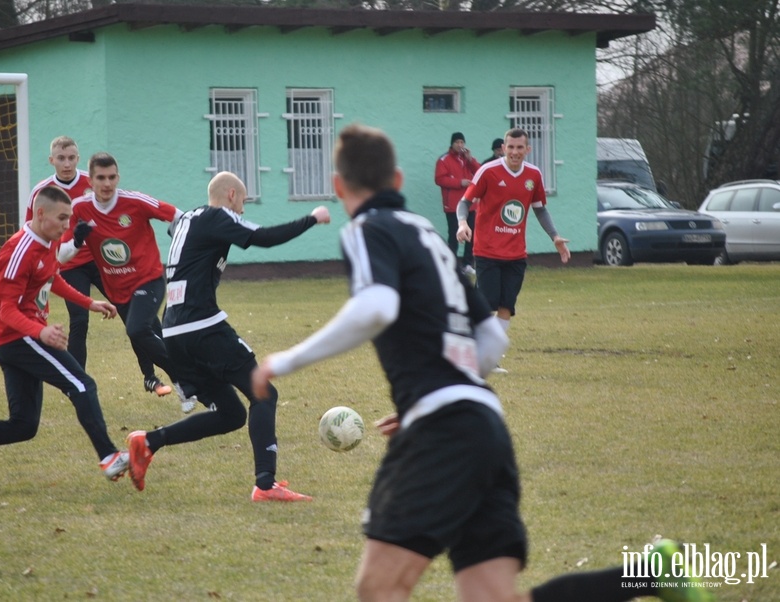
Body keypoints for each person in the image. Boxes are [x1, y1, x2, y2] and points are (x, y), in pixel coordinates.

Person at [250, 123, 712, 602]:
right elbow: (491, 337)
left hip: (443, 433)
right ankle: (650, 576)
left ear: (340, 186)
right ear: (400, 181)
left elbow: (378, 307)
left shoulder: (369, 229)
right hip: (484, 424)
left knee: (378, 588)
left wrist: (284, 360)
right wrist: (436, 396)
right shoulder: (427, 235)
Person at [125, 171, 331, 501]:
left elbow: (174, 230)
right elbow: (263, 237)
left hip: (175, 331)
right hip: (202, 326)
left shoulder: (188, 220)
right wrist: (312, 218)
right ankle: (265, 485)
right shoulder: (217, 215)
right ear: (231, 194)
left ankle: (147, 442)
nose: (243, 212)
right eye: (244, 202)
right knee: (264, 393)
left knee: (231, 414)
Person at [0, 186, 129, 490]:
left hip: (18, 341)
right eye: (62, 218)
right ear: (40, 214)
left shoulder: (47, 241)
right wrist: (41, 331)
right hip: (18, 339)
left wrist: (89, 302)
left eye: (69, 219)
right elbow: (6, 311)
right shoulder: (21, 249)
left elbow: (50, 276)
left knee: (23, 425)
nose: (66, 226)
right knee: (82, 384)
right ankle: (109, 457)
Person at [57, 152, 195, 412]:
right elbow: (62, 256)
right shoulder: (79, 209)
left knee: (137, 330)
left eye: (111, 177)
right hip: (116, 287)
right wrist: (76, 240)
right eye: (101, 178)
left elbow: (181, 216)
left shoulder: (135, 202)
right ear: (91, 181)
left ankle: (184, 377)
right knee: (148, 333)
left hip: (149, 279)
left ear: (117, 177)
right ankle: (184, 380)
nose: (107, 184)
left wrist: (178, 241)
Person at [456, 128, 571, 373]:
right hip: (487, 251)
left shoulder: (534, 175)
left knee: (507, 306)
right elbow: (464, 202)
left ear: (527, 149)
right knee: (486, 306)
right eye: (511, 147)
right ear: (503, 148)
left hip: (516, 253)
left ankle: (490, 358)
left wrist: (555, 236)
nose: (515, 152)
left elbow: (540, 208)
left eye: (520, 148)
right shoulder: (488, 171)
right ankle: (471, 353)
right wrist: (463, 223)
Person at [435, 131, 481, 275]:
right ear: (452, 144)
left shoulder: (467, 159)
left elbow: (480, 172)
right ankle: (452, 266)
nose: (460, 145)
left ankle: (468, 264)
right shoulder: (444, 160)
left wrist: (470, 160)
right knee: (454, 236)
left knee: (471, 235)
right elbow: (439, 179)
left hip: (470, 203)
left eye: (462, 142)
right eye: (457, 142)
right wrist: (459, 182)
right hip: (452, 205)